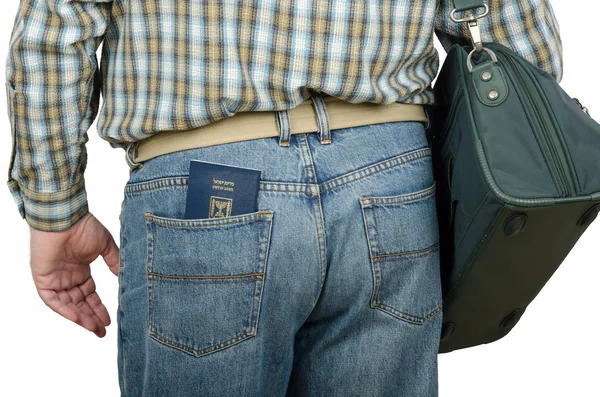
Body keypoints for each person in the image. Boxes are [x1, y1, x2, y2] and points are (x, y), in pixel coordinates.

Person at [5, 0, 562, 395]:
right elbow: (519, 49)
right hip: (391, 183)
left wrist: (56, 209)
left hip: (211, 181)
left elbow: (55, 30)